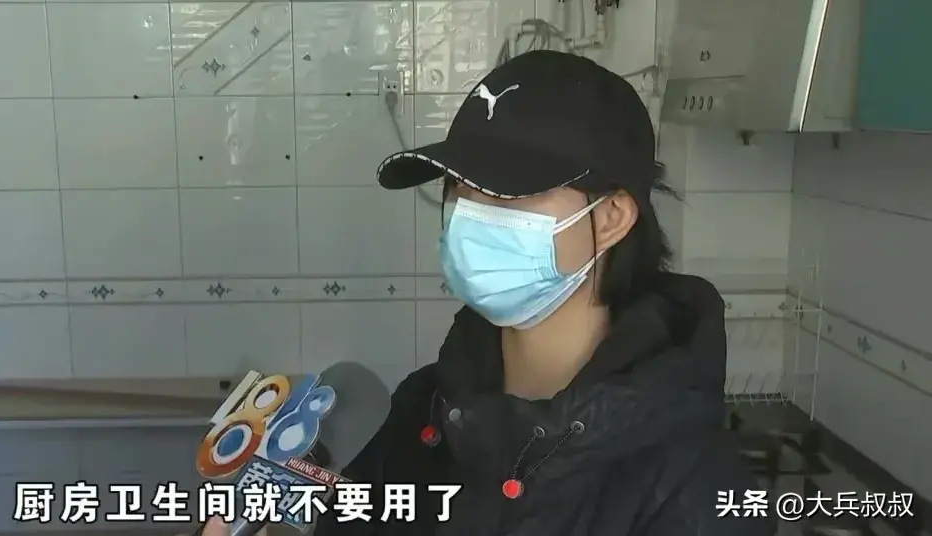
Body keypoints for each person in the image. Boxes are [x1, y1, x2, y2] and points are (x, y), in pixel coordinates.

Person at [202, 50, 775, 536]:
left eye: (508, 193)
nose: (471, 216)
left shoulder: (693, 484)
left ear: (611, 218)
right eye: (460, 189)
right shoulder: (425, 407)